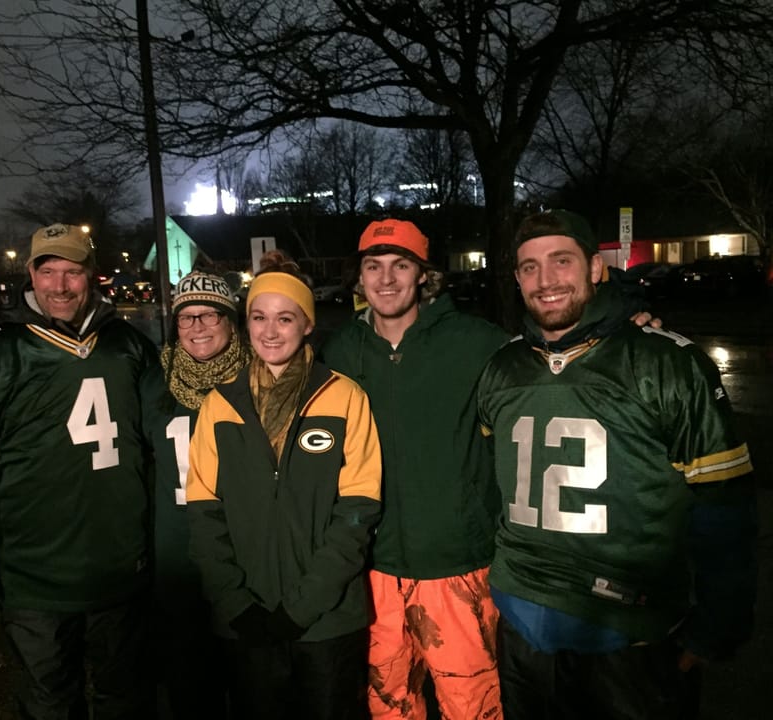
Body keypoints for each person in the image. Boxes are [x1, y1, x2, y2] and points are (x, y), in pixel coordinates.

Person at [475, 209, 757, 719]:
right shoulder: (501, 366)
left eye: (562, 261)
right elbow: (492, 486)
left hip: (627, 634)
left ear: (596, 267)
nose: (546, 280)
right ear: (516, 278)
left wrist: (719, 624)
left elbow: (724, 505)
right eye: (530, 267)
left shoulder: (667, 362)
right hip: (523, 623)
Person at [0, 223, 160, 719]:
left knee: (128, 699)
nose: (59, 285)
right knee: (50, 704)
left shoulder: (128, 345)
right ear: (30, 274)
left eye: (72, 272)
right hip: (35, 575)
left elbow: (164, 445)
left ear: (91, 276)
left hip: (122, 568)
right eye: (47, 271)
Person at [319, 219, 507, 720]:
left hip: (457, 566)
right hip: (374, 570)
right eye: (373, 266)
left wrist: (628, 325)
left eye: (400, 265)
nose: (386, 279)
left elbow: (560, 362)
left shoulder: (477, 343)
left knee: (473, 707)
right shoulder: (338, 352)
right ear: (358, 277)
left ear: (424, 276)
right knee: (389, 707)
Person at [186, 256, 382, 720]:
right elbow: (202, 514)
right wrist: (235, 604)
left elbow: (358, 512)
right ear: (245, 324)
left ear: (307, 324)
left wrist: (305, 604)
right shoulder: (219, 406)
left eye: (285, 317)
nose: (270, 332)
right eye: (259, 317)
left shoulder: (345, 396)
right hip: (246, 622)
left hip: (326, 621)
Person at [146, 270, 250, 719]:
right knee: (189, 682)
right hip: (178, 553)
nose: (198, 327)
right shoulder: (153, 383)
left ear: (232, 322)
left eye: (210, 315)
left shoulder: (262, 376)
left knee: (251, 679)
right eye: (186, 318)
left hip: (245, 549)